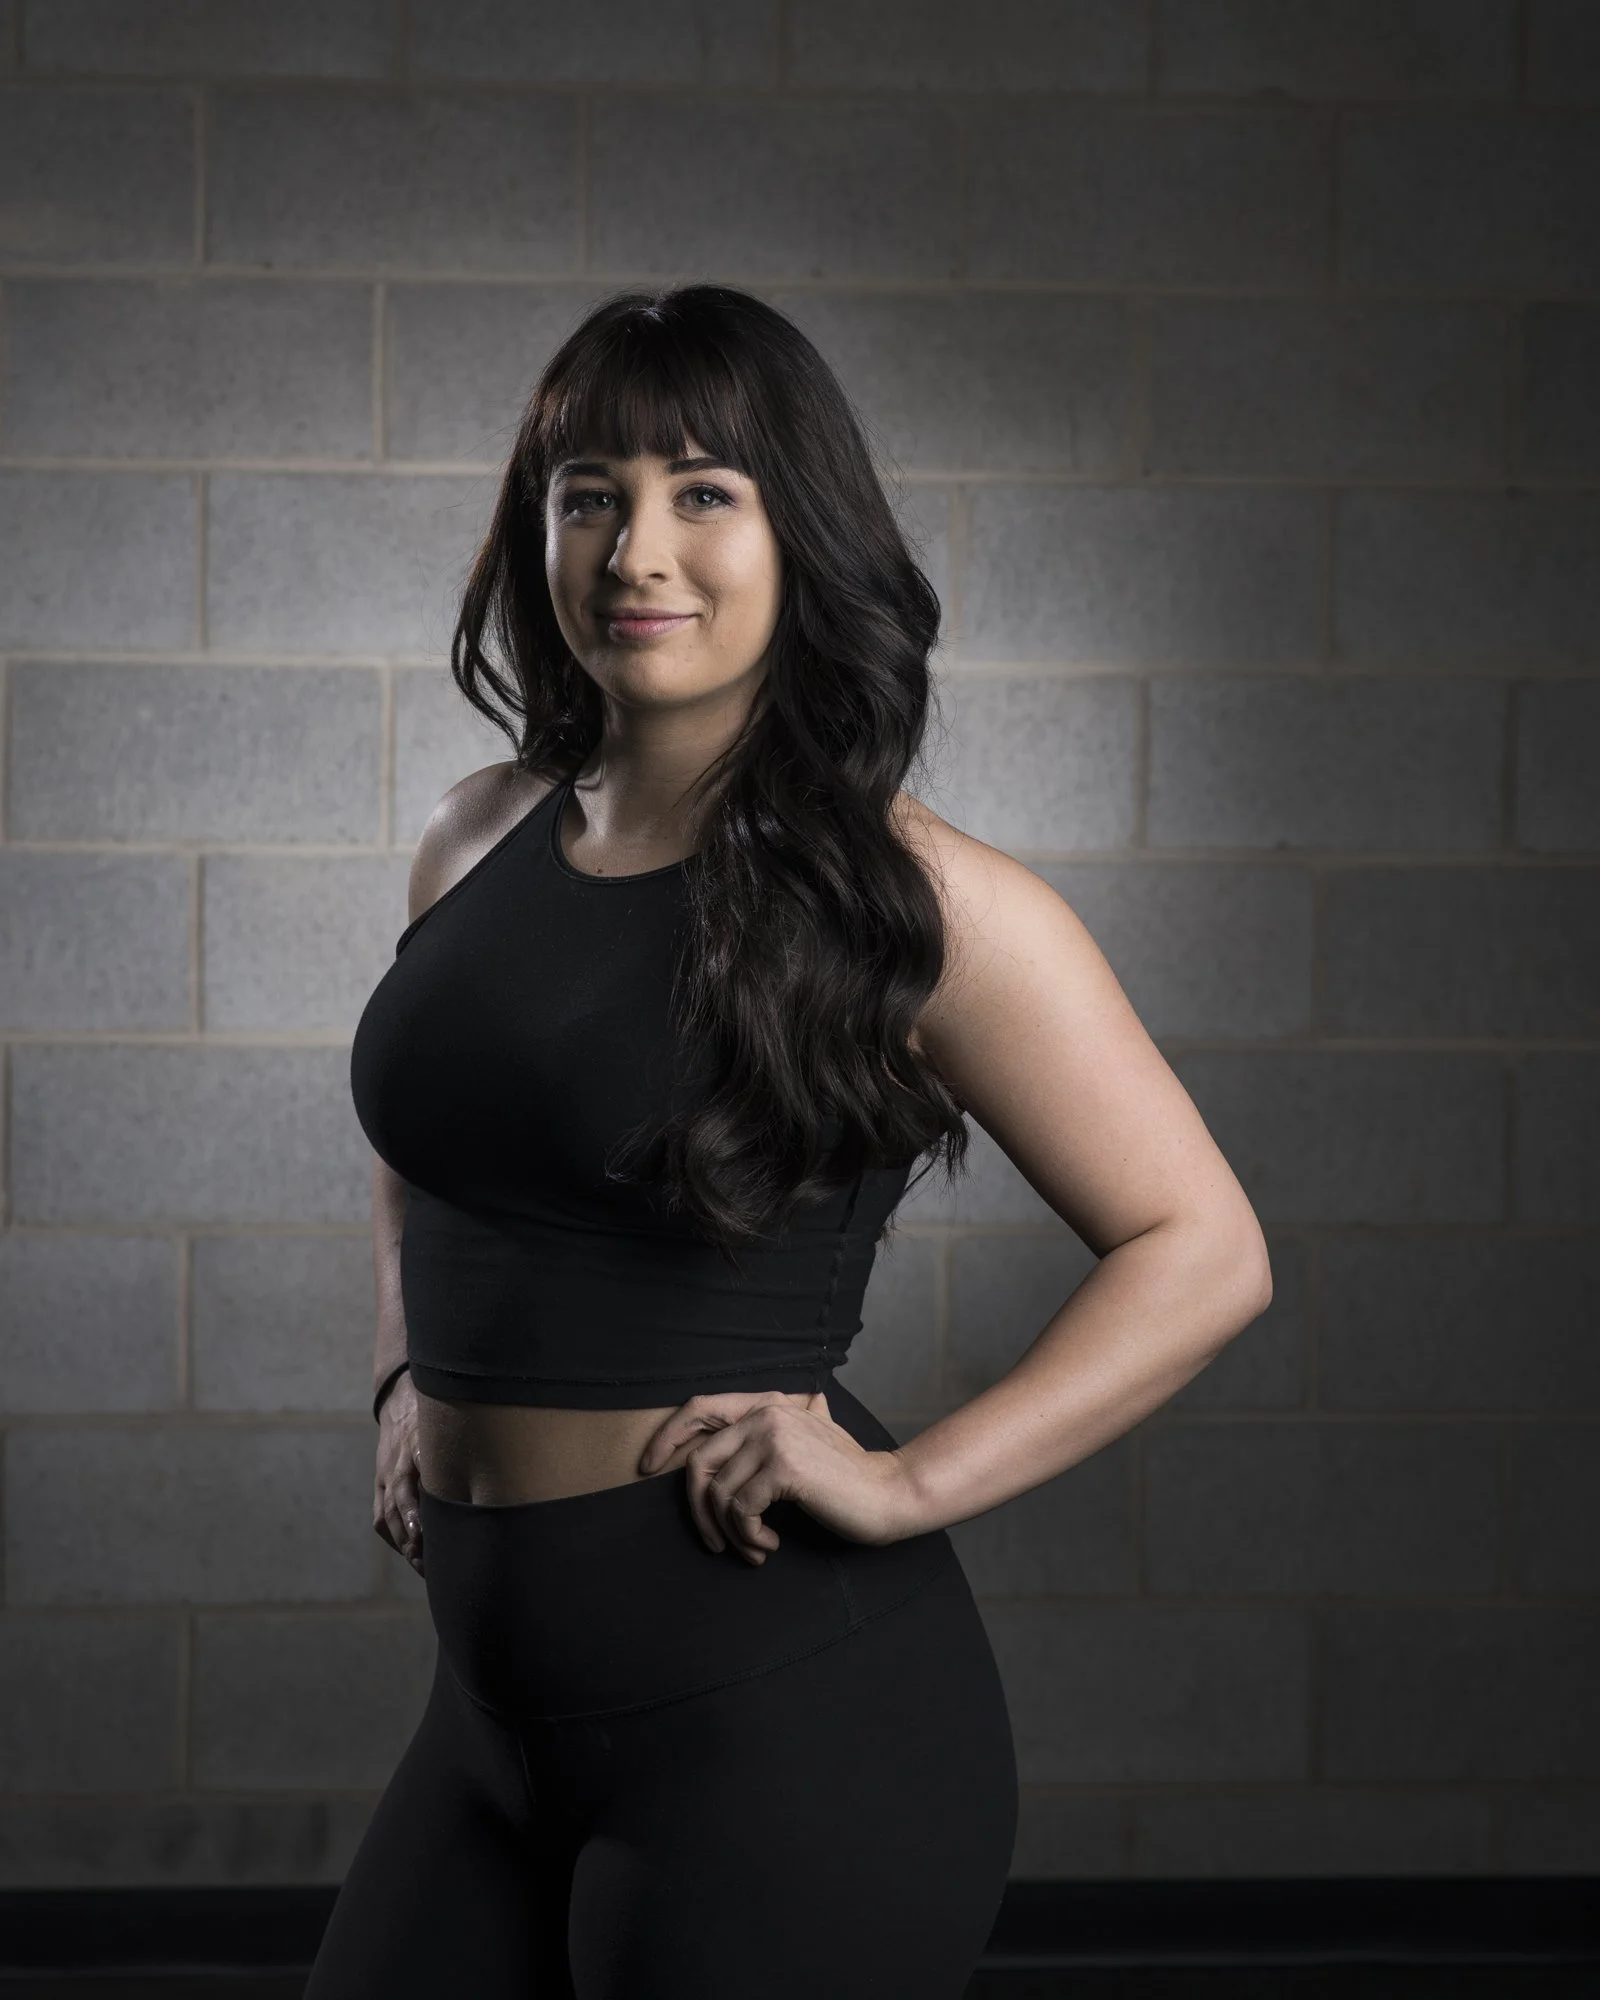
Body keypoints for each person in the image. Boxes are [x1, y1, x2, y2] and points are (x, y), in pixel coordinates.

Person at [307, 284, 1273, 1999]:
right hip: (485, 1721)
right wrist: (402, 1379)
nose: (635, 550)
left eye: (704, 493)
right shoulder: (479, 835)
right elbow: (428, 1142)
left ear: (796, 529)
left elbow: (1203, 1248)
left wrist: (908, 1484)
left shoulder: (920, 902)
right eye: (588, 492)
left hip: (780, 1727)